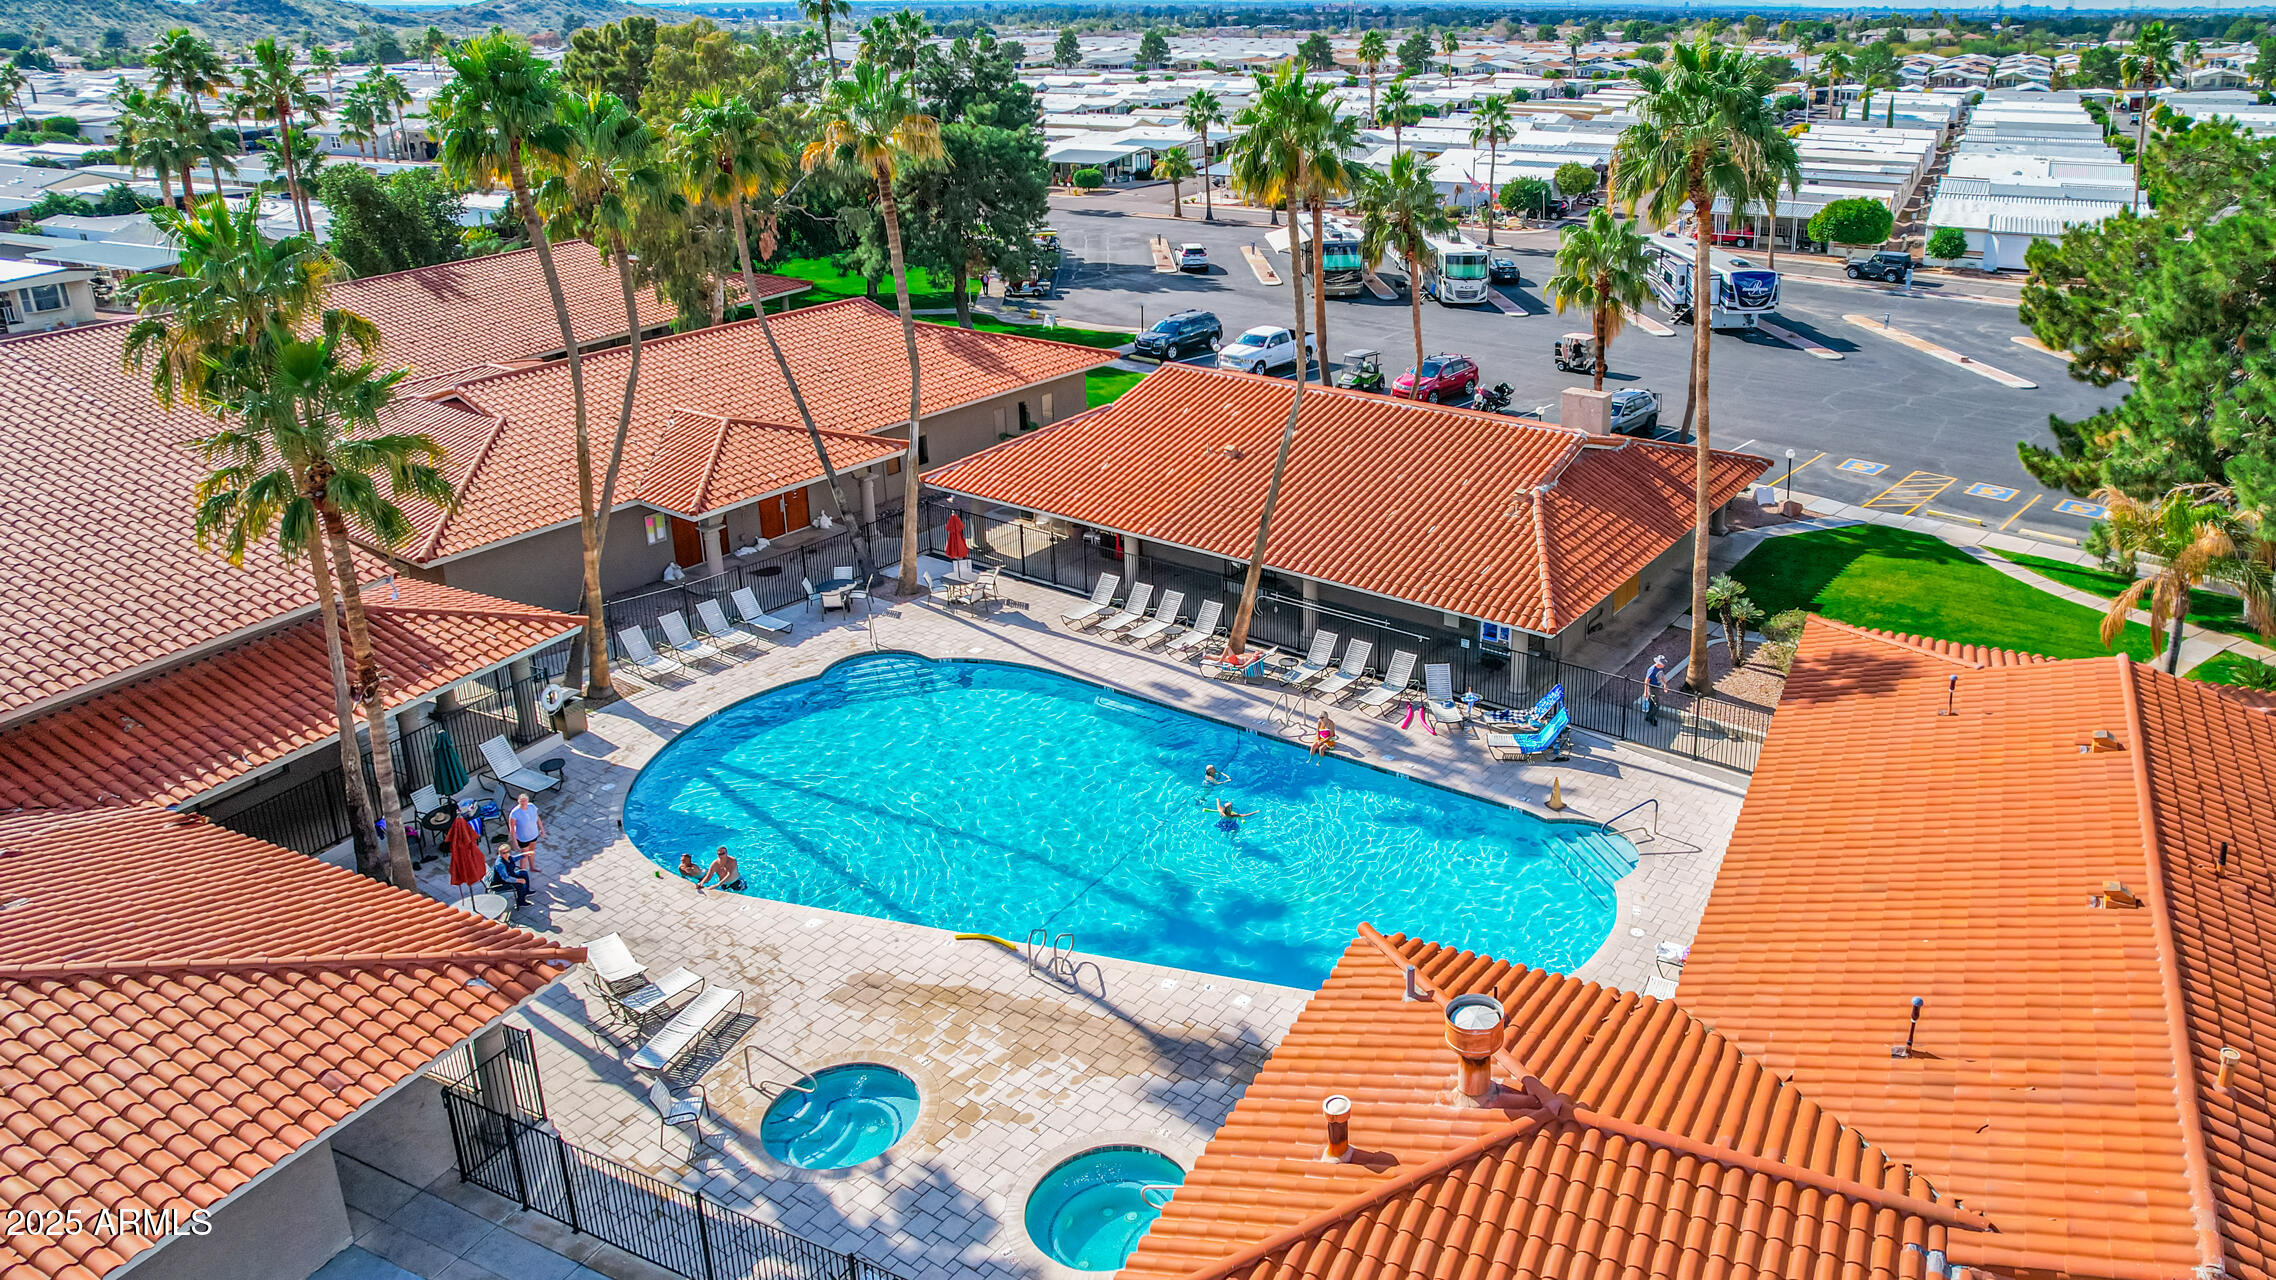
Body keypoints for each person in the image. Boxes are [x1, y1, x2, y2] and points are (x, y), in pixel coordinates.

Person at [490, 837, 532, 910]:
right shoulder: (500, 864)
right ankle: (521, 902)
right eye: (503, 853)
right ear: (500, 853)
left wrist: (524, 854)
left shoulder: (508, 857)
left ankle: (526, 892)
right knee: (520, 884)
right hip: (501, 884)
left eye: (507, 852)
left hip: (510, 875)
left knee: (523, 872)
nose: (505, 854)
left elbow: (514, 858)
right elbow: (505, 878)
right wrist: (518, 880)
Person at [508, 794, 544, 870]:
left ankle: (532, 867)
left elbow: (537, 818)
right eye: (522, 801)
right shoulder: (514, 813)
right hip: (523, 837)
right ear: (518, 801)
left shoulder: (532, 806)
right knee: (524, 855)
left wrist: (541, 829)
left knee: (532, 851)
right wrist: (514, 841)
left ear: (528, 800)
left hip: (533, 834)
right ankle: (522, 873)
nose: (524, 802)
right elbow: (512, 828)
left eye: (525, 800)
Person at [1644, 655, 1667, 726]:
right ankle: (1651, 717)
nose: (1664, 665)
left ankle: (1648, 716)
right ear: (1659, 663)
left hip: (1657, 687)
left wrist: (1665, 684)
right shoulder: (1652, 670)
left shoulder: (1660, 668)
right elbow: (1646, 681)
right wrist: (1645, 691)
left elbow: (1662, 675)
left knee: (1652, 702)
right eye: (1663, 664)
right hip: (1652, 688)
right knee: (1657, 704)